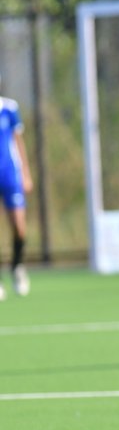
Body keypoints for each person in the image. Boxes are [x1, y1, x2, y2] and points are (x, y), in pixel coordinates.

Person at [0, 74, 32, 299]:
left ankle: (17, 266)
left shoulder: (10, 108)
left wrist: (26, 174)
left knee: (19, 226)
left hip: (10, 176)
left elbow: (19, 143)